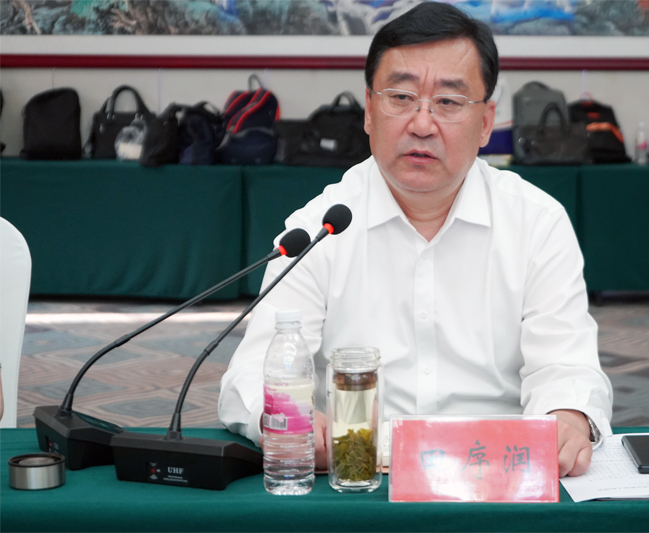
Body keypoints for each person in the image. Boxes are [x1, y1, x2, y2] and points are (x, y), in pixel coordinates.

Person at [219, 2, 612, 478]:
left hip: (495, 478)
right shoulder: (316, 230)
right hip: (356, 479)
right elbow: (252, 373)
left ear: (486, 122)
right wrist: (285, 417)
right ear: (369, 111)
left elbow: (567, 365)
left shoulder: (537, 223)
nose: (422, 124)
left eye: (448, 102)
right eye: (401, 97)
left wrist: (568, 415)